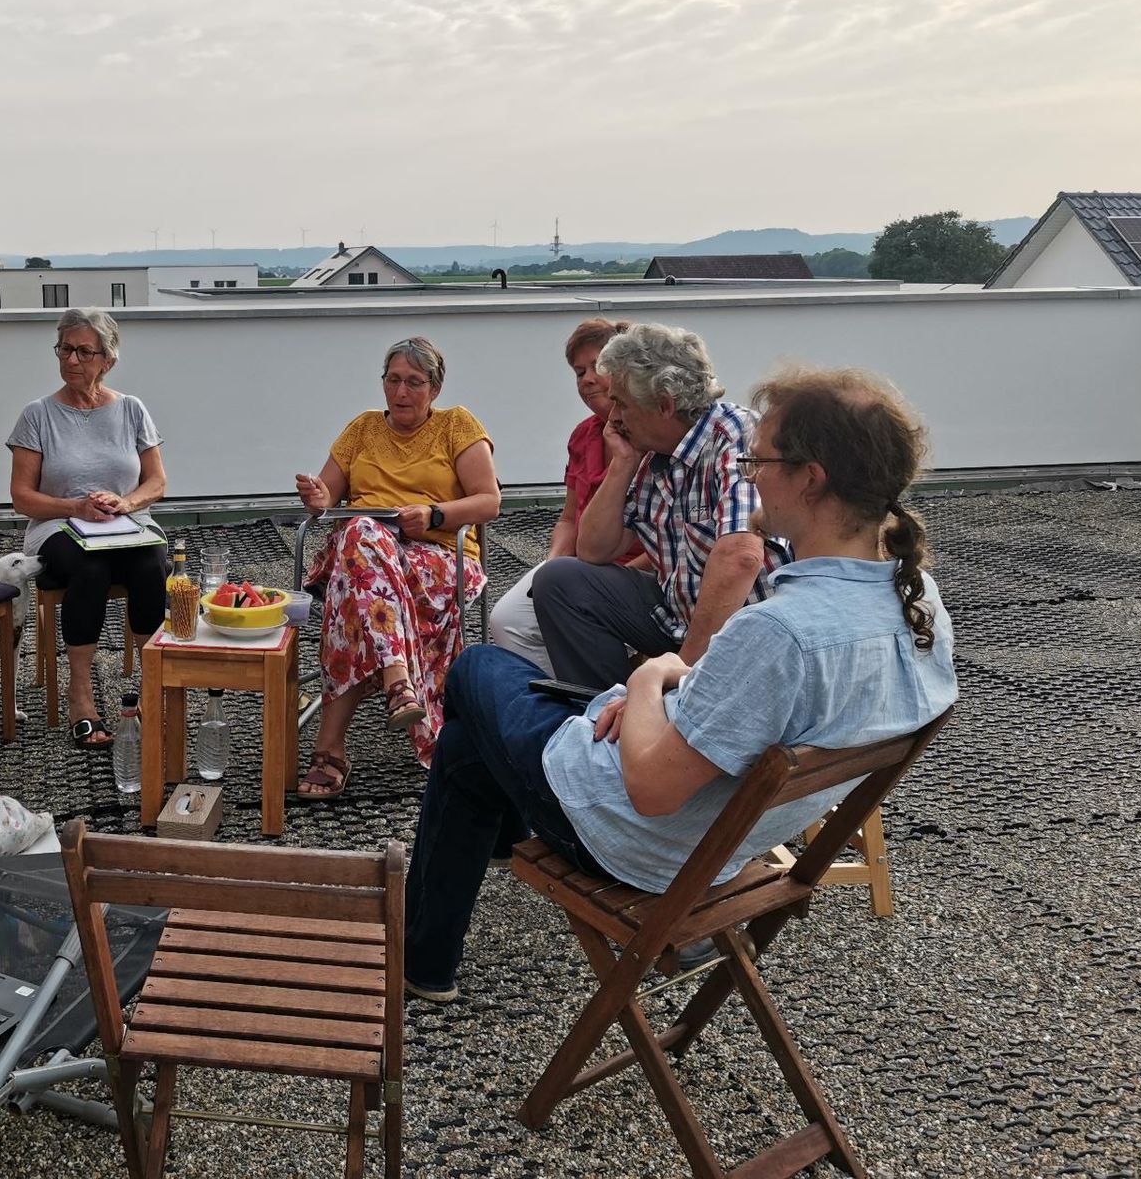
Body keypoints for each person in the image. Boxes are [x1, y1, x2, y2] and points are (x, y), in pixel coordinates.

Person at [404, 366, 957, 1001]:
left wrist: (648, 678)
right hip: (723, 838)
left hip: (638, 842)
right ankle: (429, 953)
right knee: (469, 750)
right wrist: (670, 691)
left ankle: (431, 947)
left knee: (475, 669)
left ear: (812, 478)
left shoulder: (782, 633)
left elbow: (652, 789)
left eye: (761, 459)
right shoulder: (917, 605)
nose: (750, 472)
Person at [293, 336, 501, 797]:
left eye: (413, 382)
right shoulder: (363, 429)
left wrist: (434, 514)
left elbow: (489, 502)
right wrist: (316, 497)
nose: (401, 392)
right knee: (362, 537)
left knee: (352, 595)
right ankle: (398, 681)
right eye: (393, 380)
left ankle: (331, 748)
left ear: (435, 388)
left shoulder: (457, 426)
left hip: (437, 558)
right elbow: (326, 500)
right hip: (364, 556)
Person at [530, 321, 783, 692]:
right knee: (560, 580)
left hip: (745, 627)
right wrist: (622, 464)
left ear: (664, 404)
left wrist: (682, 670)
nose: (613, 417)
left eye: (621, 403)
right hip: (676, 615)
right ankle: (598, 712)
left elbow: (741, 557)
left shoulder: (735, 435)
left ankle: (643, 719)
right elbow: (594, 550)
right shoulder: (652, 453)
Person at [8, 308, 169, 749]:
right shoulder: (37, 415)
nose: (72, 359)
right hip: (58, 527)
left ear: (108, 360)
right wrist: (75, 505)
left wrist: (127, 502)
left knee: (153, 561)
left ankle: (153, 689)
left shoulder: (132, 409)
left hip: (124, 523)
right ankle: (82, 698)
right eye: (65, 349)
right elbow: (22, 497)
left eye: (83, 351)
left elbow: (157, 482)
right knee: (90, 569)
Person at [487, 318, 642, 672]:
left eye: (597, 367)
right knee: (506, 619)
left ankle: (595, 700)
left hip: (637, 574)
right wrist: (552, 563)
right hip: (579, 566)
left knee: (576, 615)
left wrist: (598, 583)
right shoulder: (582, 436)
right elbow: (569, 518)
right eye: (578, 371)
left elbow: (666, 544)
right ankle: (557, 703)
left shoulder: (650, 436)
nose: (587, 379)